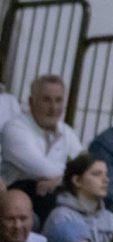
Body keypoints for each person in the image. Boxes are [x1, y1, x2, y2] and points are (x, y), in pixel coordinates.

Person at [0, 75, 84, 221]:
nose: (53, 108)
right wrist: (70, 176)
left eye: (58, 100)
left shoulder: (66, 131)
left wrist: (60, 180)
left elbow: (87, 166)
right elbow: (44, 170)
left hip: (51, 197)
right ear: (31, 102)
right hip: (16, 197)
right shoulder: (15, 129)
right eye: (46, 100)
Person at [44, 151, 113, 242]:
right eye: (97, 174)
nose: (106, 180)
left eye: (106, 174)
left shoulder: (112, 220)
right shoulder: (61, 217)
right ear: (77, 181)